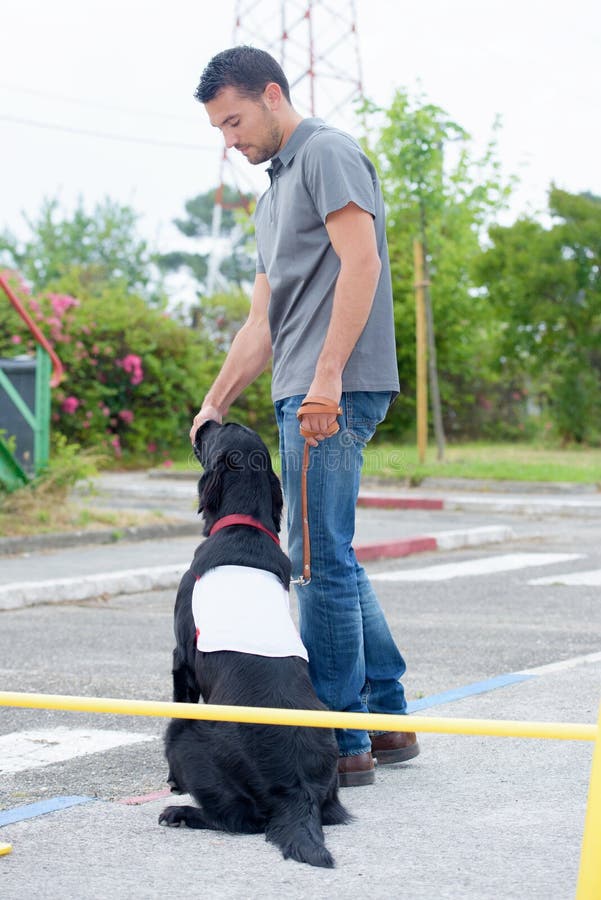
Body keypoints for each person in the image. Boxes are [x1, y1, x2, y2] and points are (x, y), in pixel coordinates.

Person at [190, 45, 419, 786]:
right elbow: (262, 322)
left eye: (234, 120)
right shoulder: (271, 197)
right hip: (300, 388)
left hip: (333, 391)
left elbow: (363, 264)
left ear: (271, 93)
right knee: (330, 553)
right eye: (219, 130)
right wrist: (215, 401)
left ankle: (342, 737)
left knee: (318, 561)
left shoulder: (327, 154)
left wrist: (326, 379)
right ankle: (385, 717)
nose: (230, 140)